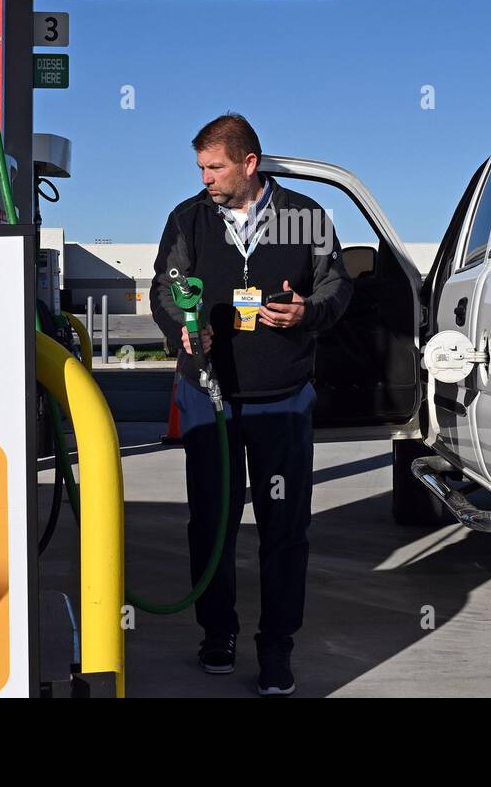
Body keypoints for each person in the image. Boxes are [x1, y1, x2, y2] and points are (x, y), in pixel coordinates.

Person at [151, 113, 351, 696]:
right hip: (206, 397)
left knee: (283, 529)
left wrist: (306, 313)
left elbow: (336, 285)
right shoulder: (187, 218)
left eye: (215, 167)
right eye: (201, 168)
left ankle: (277, 647)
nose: (206, 178)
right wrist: (181, 330)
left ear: (249, 163)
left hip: (281, 401)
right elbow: (166, 288)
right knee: (211, 524)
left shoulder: (306, 217)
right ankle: (217, 633)